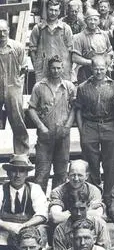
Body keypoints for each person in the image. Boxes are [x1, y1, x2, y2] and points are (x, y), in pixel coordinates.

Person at [27, 55, 76, 190]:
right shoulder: (39, 86)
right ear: (49, 69)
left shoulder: (69, 87)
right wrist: (41, 127)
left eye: (59, 68)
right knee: (42, 172)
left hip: (63, 134)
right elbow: (31, 109)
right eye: (53, 68)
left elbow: (75, 108)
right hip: (45, 135)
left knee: (61, 172)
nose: (56, 71)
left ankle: (57, 200)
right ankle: (40, 201)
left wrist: (67, 126)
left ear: (63, 68)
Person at [0, 155, 48, 250]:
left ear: (26, 174)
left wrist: (23, 226)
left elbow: (42, 214)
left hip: (28, 230)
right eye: (14, 171)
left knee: (40, 232)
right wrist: (9, 227)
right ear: (8, 173)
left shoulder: (35, 189)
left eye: (21, 171)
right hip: (4, 232)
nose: (17, 175)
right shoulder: (1, 190)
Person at [0, 20, 29, 155]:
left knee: (18, 122)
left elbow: (24, 68)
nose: (1, 34)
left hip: (13, 88)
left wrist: (17, 86)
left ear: (8, 31)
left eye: (4, 31)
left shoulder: (17, 47)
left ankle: (21, 155)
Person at [29, 1, 74, 82]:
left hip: (62, 70)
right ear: (46, 10)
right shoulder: (38, 28)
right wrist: (36, 67)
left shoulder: (65, 28)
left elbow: (71, 50)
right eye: (51, 10)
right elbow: (32, 50)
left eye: (56, 10)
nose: (53, 13)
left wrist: (68, 67)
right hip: (43, 70)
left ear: (59, 12)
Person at [72, 9, 113, 83]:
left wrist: (106, 61)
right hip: (86, 72)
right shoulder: (79, 37)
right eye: (90, 19)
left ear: (99, 21)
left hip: (103, 70)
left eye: (95, 19)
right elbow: (75, 57)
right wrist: (91, 62)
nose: (93, 22)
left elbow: (110, 51)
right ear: (85, 21)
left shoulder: (104, 35)